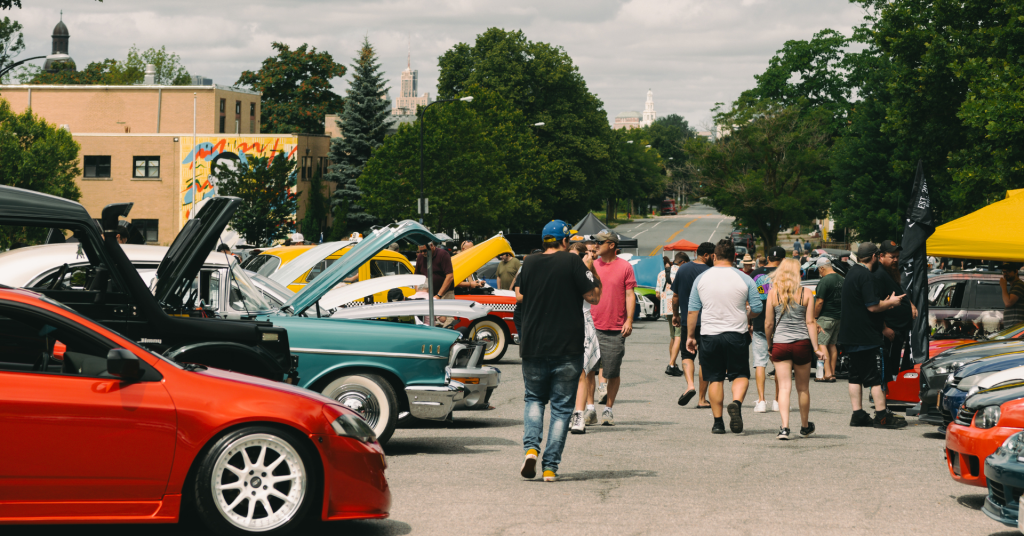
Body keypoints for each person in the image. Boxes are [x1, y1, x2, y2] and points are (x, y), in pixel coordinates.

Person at [517, 220, 601, 482]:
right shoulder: (572, 262)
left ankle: (531, 449)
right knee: (562, 409)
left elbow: (519, 295)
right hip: (567, 345)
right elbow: (594, 296)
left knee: (533, 399)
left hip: (533, 344)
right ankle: (550, 467)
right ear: (565, 242)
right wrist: (590, 270)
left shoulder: (529, 262)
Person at [685, 239, 763, 434]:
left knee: (715, 378)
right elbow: (758, 308)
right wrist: (747, 315)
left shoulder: (701, 278)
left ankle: (717, 423)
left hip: (709, 335)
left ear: (714, 256)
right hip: (736, 333)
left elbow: (693, 311)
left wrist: (690, 336)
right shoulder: (745, 278)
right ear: (734, 257)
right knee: (741, 374)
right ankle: (736, 403)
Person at [839, 242, 907, 429]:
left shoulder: (852, 273)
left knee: (855, 376)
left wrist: (882, 303)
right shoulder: (866, 276)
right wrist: (890, 303)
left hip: (849, 335)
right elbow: (872, 306)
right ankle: (882, 416)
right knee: (875, 377)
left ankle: (858, 413)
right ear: (875, 256)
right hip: (866, 336)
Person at [765, 258, 825, 439]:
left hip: (780, 344)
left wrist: (770, 344)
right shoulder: (806, 293)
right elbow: (810, 322)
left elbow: (768, 323)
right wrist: (816, 348)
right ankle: (805, 426)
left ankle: (784, 427)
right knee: (803, 388)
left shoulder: (773, 293)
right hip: (802, 344)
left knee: (784, 388)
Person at [588, 230, 636, 426]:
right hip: (590, 325)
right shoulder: (591, 265)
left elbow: (630, 295)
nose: (596, 245)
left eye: (600, 242)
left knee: (612, 371)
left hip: (615, 327)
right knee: (588, 370)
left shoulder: (625, 267)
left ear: (611, 245)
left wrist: (629, 320)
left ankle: (608, 409)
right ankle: (590, 409)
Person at [672, 242, 716, 407]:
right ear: (706, 255)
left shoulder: (682, 269)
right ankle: (702, 399)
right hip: (707, 322)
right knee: (704, 360)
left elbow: (675, 296)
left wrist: (676, 315)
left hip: (687, 320)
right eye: (713, 255)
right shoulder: (710, 272)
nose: (714, 258)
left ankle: (690, 385)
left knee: (687, 355)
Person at [569, 241, 603, 434]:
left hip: (582, 321)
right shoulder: (562, 271)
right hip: (563, 321)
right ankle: (569, 413)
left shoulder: (587, 274)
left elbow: (596, 298)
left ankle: (579, 415)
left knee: (583, 370)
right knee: (566, 372)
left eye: (576, 256)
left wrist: (592, 274)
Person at [875, 240, 917, 389]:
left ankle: (890, 394)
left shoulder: (891, 272)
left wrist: (910, 305)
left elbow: (899, 293)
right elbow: (874, 305)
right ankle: (883, 397)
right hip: (890, 330)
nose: (895, 260)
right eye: (892, 257)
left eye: (897, 256)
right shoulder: (879, 274)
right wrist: (883, 328)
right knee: (886, 367)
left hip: (899, 329)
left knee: (894, 366)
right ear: (881, 256)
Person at [749, 246, 784, 413]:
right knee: (779, 363)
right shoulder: (787, 274)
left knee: (759, 363)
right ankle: (777, 400)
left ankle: (761, 401)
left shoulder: (756, 274)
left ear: (768, 257)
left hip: (759, 322)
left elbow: (751, 296)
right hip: (781, 323)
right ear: (783, 259)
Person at [813, 257, 843, 382]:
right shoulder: (842, 279)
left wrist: (814, 317)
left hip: (825, 317)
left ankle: (828, 374)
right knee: (832, 345)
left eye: (819, 270)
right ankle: (833, 372)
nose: (819, 273)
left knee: (822, 344)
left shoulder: (825, 281)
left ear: (822, 268)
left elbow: (819, 301)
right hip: (839, 317)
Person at [415, 242, 455, 327]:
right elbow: (416, 278)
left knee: (446, 321)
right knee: (431, 321)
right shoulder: (420, 257)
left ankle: (446, 337)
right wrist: (418, 294)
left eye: (425, 251)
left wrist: (439, 295)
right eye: (420, 251)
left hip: (445, 293)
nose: (422, 253)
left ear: (432, 246)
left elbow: (450, 276)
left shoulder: (443, 254)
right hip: (428, 294)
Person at [662, 252, 689, 376]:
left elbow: (657, 293)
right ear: (683, 262)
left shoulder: (662, 273)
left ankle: (673, 362)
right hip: (678, 307)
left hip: (666, 308)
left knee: (673, 336)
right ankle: (672, 364)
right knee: (679, 336)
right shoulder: (683, 272)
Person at [1000, 263, 1024, 329]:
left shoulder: (1018, 285)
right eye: (1004, 272)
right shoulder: (1015, 286)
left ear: (1016, 271)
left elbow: (1008, 303)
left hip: (1015, 328)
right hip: (1013, 328)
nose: (1005, 274)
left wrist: (1003, 287)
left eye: (1008, 271)